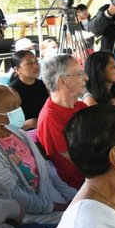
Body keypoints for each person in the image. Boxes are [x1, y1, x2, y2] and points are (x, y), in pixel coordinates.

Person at [0, 85, 77, 224]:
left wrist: (73, 197)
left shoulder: (19, 134)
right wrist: (59, 207)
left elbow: (47, 171)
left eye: (18, 106)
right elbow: (12, 195)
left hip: (53, 202)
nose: (18, 111)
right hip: (27, 216)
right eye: (11, 108)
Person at [37, 54, 89, 189]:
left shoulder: (80, 106)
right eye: (79, 73)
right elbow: (79, 161)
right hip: (80, 184)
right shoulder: (50, 119)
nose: (86, 78)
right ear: (61, 81)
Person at [8, 50, 48, 130]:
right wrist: (31, 123)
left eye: (36, 61)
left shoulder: (43, 85)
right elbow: (9, 126)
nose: (35, 66)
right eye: (29, 63)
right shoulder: (12, 92)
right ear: (17, 69)